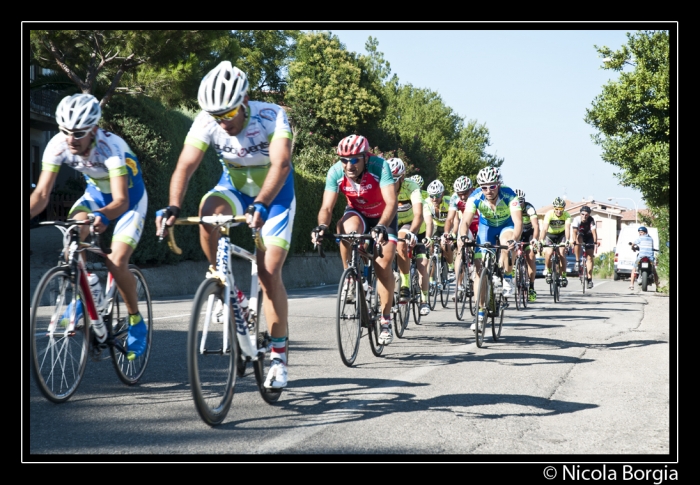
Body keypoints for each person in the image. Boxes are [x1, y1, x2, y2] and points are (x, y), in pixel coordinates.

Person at [155, 61, 294, 389]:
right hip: (233, 189)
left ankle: (277, 355)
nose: (223, 123)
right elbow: (185, 166)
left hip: (274, 196)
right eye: (217, 117)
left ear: (244, 101)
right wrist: (174, 204)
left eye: (229, 115)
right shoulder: (207, 120)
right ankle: (229, 288)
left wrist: (262, 202)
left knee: (269, 273)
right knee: (207, 213)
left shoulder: (272, 116)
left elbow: (282, 163)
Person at [30, 93, 148, 360]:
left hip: (129, 200)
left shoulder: (112, 147)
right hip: (95, 195)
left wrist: (104, 217)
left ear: (94, 129)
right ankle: (89, 286)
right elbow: (41, 196)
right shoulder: (58, 145)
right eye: (66, 132)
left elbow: (120, 200)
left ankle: (135, 320)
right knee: (74, 230)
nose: (71, 139)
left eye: (79, 133)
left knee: (116, 262)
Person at [311, 134, 398, 345]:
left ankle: (385, 320)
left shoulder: (380, 167)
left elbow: (391, 202)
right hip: (357, 213)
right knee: (345, 231)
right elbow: (326, 208)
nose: (348, 165)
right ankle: (350, 276)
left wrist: (381, 226)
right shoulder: (335, 172)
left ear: (365, 157)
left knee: (382, 267)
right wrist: (322, 226)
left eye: (354, 160)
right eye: (344, 160)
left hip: (383, 217)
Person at [458, 167, 522, 330]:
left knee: (506, 242)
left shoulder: (509, 195)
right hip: (486, 228)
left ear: (498, 185)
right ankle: (480, 314)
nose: (488, 190)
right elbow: (465, 220)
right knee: (479, 269)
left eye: (492, 186)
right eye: (484, 187)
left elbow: (518, 222)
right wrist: (464, 236)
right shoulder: (475, 197)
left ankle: (507, 277)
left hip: (505, 226)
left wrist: (514, 239)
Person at [390, 159, 430, 315]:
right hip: (393, 222)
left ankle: (415, 293)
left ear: (402, 177)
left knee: (421, 264)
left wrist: (412, 233)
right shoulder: (383, 185)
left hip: (412, 224)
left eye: (394, 180)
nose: (390, 184)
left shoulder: (411, 187)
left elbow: (419, 215)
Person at [446, 176, 478, 299]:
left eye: (465, 193)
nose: (462, 197)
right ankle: (458, 286)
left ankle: (476, 271)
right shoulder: (455, 198)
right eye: (460, 194)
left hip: (479, 223)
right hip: (466, 224)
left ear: (471, 189)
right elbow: (450, 218)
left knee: (479, 248)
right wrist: (446, 233)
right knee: (460, 249)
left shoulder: (478, 194)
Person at [424, 179, 456, 278]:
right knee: (430, 247)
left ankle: (450, 266)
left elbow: (454, 219)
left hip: (447, 225)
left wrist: (452, 233)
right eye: (431, 196)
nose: (434, 199)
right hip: (434, 225)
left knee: (445, 244)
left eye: (437, 195)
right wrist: (428, 237)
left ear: (442, 194)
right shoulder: (426, 202)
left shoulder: (449, 200)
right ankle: (431, 277)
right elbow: (428, 222)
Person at [514, 189, 540, 301]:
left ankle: (531, 287)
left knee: (530, 257)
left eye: (521, 201)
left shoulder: (529, 208)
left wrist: (534, 239)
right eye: (517, 201)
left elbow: (536, 226)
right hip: (517, 231)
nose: (520, 204)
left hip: (529, 232)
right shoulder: (512, 207)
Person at [539, 197, 572, 288]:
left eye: (561, 209)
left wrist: (568, 240)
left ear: (564, 209)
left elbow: (567, 228)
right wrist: (541, 240)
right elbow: (544, 229)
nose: (558, 211)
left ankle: (564, 275)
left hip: (561, 235)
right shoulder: (549, 214)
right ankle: (549, 271)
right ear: (554, 208)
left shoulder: (567, 215)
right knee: (548, 253)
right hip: (550, 235)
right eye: (557, 209)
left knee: (561, 253)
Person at [570, 205, 598, 289]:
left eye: (586, 215)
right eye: (582, 214)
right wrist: (574, 241)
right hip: (581, 235)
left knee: (589, 258)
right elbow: (574, 232)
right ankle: (578, 261)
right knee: (578, 240)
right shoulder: (576, 219)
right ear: (580, 214)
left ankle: (589, 279)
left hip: (589, 237)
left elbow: (594, 232)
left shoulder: (591, 220)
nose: (584, 216)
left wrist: (595, 242)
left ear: (589, 215)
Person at [629, 226, 660, 290]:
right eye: (639, 232)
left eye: (641, 232)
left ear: (645, 232)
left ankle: (631, 285)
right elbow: (651, 247)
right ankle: (657, 286)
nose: (640, 233)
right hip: (650, 257)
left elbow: (633, 243)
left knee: (634, 268)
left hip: (641, 257)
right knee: (654, 271)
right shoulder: (651, 239)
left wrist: (632, 248)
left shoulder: (640, 238)